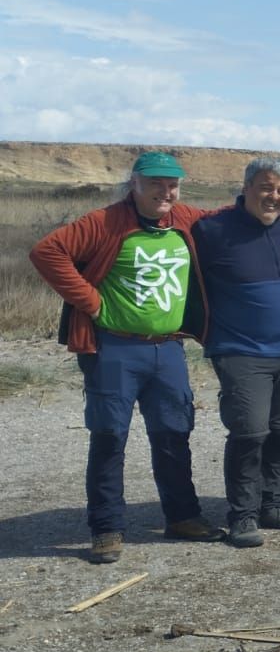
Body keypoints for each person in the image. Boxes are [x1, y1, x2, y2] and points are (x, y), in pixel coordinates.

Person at [29, 151, 225, 563]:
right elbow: (47, 252)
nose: (164, 191)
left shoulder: (183, 218)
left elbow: (227, 215)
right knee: (109, 437)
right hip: (114, 348)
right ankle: (106, 529)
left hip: (168, 347)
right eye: (155, 183)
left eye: (172, 184)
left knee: (174, 435)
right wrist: (92, 302)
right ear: (134, 183)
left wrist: (276, 204)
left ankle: (182, 517)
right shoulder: (106, 221)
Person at [191, 157, 280, 547]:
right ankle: (242, 515)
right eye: (265, 188)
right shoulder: (212, 229)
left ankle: (271, 504)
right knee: (249, 432)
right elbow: (173, 219)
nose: (274, 197)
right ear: (245, 188)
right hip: (241, 351)